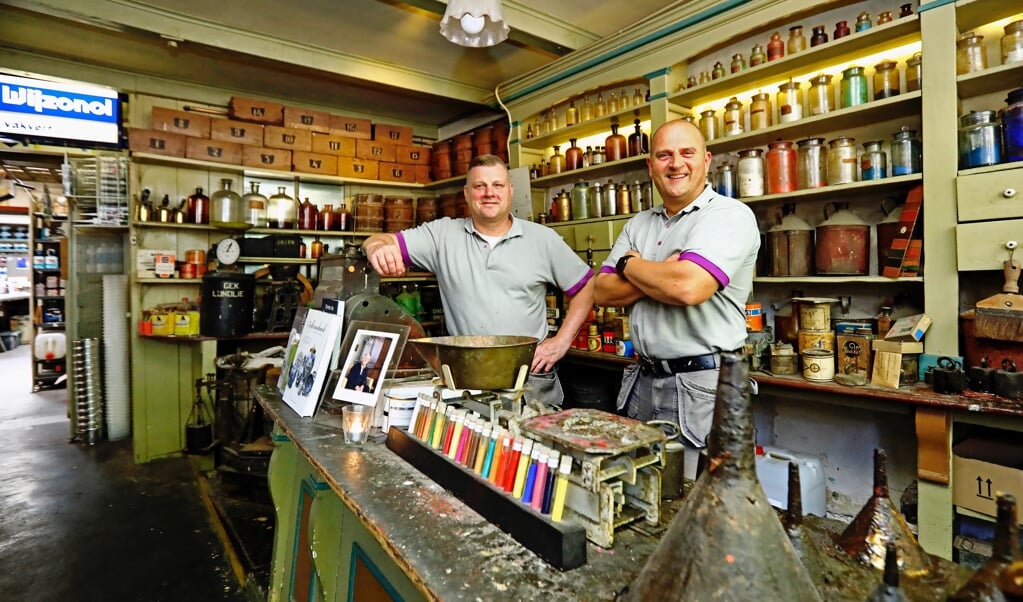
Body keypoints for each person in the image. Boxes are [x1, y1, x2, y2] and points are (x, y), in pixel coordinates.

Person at [363, 154, 594, 406]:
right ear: (466, 193)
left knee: (535, 444)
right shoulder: (442, 235)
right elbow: (378, 240)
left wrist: (561, 341)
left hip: (530, 379)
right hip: (466, 379)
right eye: (479, 186)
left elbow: (586, 286)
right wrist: (376, 248)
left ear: (510, 190)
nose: (489, 193)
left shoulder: (543, 240)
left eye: (497, 185)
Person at [594, 119, 759, 447]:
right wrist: (660, 274)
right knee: (641, 487)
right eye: (664, 155)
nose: (676, 164)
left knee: (698, 491)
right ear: (650, 165)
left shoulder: (728, 215)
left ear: (706, 160)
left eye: (687, 153)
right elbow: (602, 290)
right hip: (641, 379)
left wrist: (630, 264)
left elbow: (688, 287)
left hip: (702, 386)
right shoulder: (639, 223)